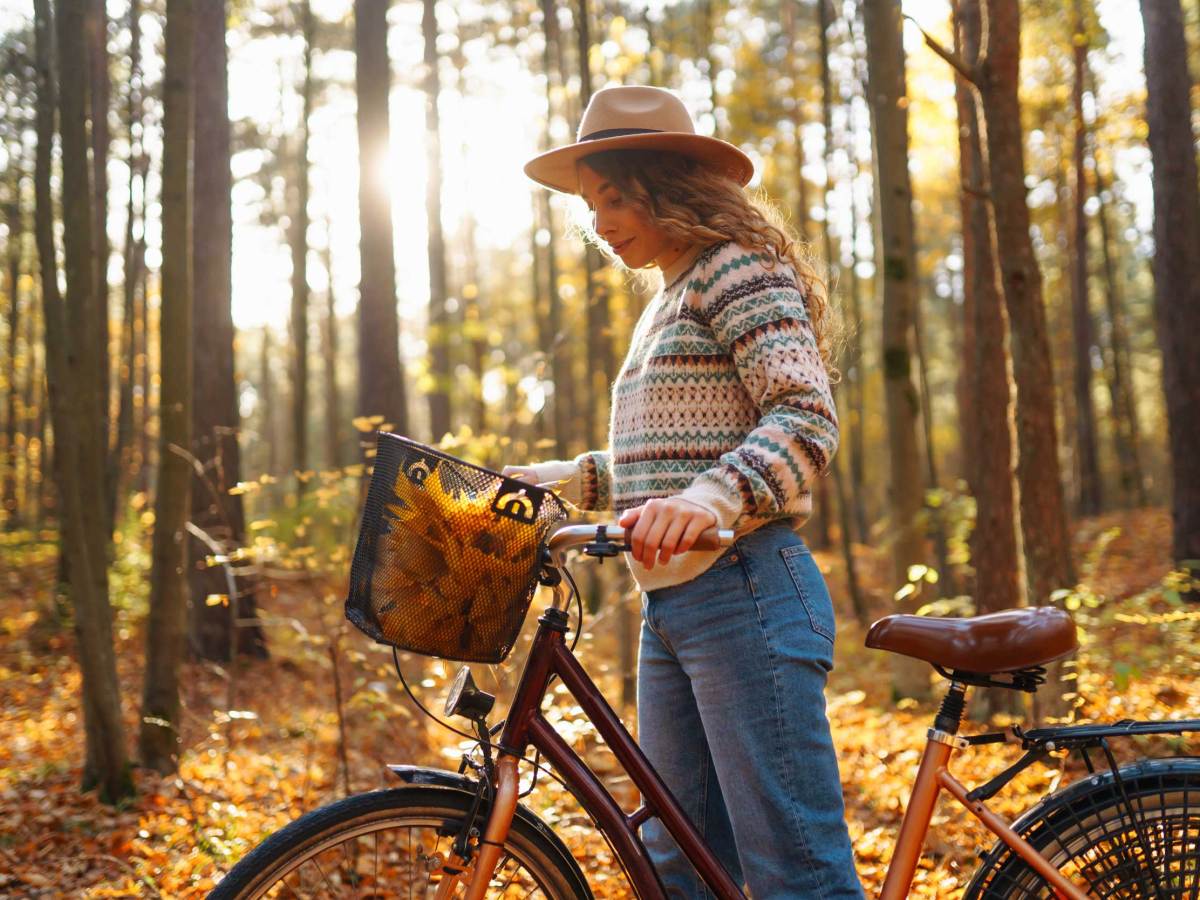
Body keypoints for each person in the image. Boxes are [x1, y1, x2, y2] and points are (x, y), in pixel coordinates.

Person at [503, 85, 863, 899]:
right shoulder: (671, 295)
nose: (599, 221)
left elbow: (805, 416)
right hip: (674, 608)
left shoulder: (738, 269)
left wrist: (712, 501)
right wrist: (567, 478)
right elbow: (667, 459)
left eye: (615, 197)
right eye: (590, 206)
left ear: (669, 186)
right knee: (677, 866)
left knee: (792, 871)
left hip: (746, 590)